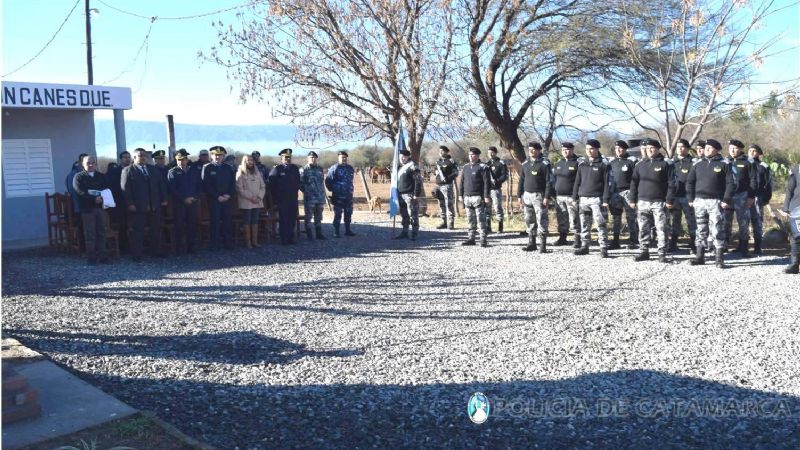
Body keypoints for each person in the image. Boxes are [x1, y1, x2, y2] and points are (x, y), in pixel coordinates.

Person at [687, 139, 735, 268]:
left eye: (709, 148)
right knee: (701, 229)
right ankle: (699, 256)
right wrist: (691, 199)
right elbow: (690, 182)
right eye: (705, 147)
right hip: (699, 201)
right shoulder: (697, 164)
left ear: (716, 150)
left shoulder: (724, 164)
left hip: (716, 202)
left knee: (717, 229)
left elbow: (730, 183)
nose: (706, 149)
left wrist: (726, 200)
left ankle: (719, 259)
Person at [629, 139, 675, 263]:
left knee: (661, 229)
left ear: (658, 149)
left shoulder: (666, 164)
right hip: (643, 201)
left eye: (652, 148)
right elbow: (634, 183)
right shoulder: (640, 164)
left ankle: (662, 253)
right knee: (643, 228)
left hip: (659, 202)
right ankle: (644, 251)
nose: (649, 150)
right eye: (647, 148)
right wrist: (632, 199)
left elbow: (671, 183)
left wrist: (669, 199)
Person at [121, 148, 168, 260]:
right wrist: (130, 204)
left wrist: (164, 198)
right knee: (138, 231)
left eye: (144, 156)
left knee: (155, 229)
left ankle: (155, 251)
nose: (142, 157)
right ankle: (137, 254)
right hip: (138, 206)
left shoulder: (152, 169)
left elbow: (161, 184)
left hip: (154, 204)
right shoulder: (128, 171)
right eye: (140, 156)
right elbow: (125, 189)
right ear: (134, 157)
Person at [573, 139, 611, 257]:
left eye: (592, 149)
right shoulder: (582, 163)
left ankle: (603, 248)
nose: (589, 151)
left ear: (597, 149)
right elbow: (577, 181)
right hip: (583, 198)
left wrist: (605, 200)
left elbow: (608, 183)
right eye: (587, 149)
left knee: (600, 224)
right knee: (584, 224)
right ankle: (585, 246)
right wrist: (575, 196)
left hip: (597, 199)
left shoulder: (604, 164)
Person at [72, 155, 111, 265]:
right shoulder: (78, 177)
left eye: (93, 162)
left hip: (101, 208)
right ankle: (92, 258)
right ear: (82, 164)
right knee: (90, 234)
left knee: (101, 233)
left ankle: (103, 256)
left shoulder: (101, 176)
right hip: (87, 209)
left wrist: (103, 198)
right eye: (88, 163)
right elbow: (80, 192)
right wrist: (94, 199)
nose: (91, 165)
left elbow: (106, 189)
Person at [723, 139, 757, 257]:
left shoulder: (748, 161)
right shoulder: (725, 161)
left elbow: (753, 180)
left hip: (742, 195)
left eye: (735, 148)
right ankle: (724, 245)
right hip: (727, 196)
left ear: (741, 149)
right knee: (725, 221)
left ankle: (743, 247)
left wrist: (751, 197)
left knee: (743, 222)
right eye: (730, 148)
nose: (732, 150)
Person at [517, 142, 552, 252]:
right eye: (529, 149)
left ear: (539, 150)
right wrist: (519, 195)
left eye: (533, 149)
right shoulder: (526, 163)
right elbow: (521, 180)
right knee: (529, 219)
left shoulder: (545, 164)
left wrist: (547, 196)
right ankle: (531, 243)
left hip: (539, 195)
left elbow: (549, 182)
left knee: (541, 219)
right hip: (527, 195)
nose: (531, 151)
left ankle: (543, 245)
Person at [202, 146, 237, 250]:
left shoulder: (228, 168)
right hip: (214, 200)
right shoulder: (207, 168)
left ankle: (228, 243)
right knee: (215, 222)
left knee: (227, 222)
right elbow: (206, 185)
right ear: (211, 156)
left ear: (223, 156)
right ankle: (214, 245)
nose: (217, 157)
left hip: (227, 199)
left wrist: (228, 195)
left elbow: (232, 184)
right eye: (215, 155)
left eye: (220, 155)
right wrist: (217, 196)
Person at [167, 149, 201, 254]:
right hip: (179, 204)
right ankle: (180, 248)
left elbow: (199, 186)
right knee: (179, 226)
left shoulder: (194, 171)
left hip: (193, 202)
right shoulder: (172, 172)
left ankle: (192, 247)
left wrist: (194, 197)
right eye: (179, 159)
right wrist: (184, 199)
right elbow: (172, 189)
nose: (181, 161)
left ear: (187, 160)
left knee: (192, 225)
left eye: (183, 159)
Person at [608, 140, 638, 250]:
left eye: (620, 148)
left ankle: (633, 241)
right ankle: (615, 241)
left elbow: (635, 179)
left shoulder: (631, 161)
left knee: (631, 217)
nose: (618, 150)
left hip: (628, 192)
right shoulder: (612, 162)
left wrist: (634, 194)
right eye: (616, 149)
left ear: (625, 149)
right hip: (615, 193)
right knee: (616, 218)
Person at [669, 139, 697, 253]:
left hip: (688, 197)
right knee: (674, 221)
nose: (680, 149)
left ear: (688, 148)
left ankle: (694, 243)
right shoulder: (671, 162)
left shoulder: (692, 162)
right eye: (678, 146)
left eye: (683, 147)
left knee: (691, 221)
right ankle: (673, 243)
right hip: (674, 196)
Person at [459, 147, 491, 247]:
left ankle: (483, 239)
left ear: (477, 156)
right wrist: (460, 195)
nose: (470, 156)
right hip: (467, 197)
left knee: (481, 219)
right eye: (469, 155)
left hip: (478, 197)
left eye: (472, 155)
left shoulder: (483, 167)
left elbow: (487, 183)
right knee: (470, 219)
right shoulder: (465, 167)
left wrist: (486, 196)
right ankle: (471, 238)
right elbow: (462, 182)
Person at [269, 148, 301, 245]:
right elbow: (271, 185)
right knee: (284, 219)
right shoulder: (277, 169)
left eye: (289, 157)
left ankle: (291, 237)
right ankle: (284, 239)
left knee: (292, 219)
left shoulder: (295, 168)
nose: (287, 159)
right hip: (282, 199)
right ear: (281, 158)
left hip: (293, 198)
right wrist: (275, 199)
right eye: (285, 157)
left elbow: (298, 182)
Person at [553, 142, 582, 248]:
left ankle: (577, 240)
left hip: (572, 196)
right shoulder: (559, 163)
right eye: (563, 150)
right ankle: (562, 238)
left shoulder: (577, 163)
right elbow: (554, 179)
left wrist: (576, 195)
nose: (565, 151)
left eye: (568, 149)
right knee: (561, 218)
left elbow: (580, 180)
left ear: (572, 150)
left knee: (574, 219)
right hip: (559, 196)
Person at [236, 154, 267, 248]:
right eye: (248, 160)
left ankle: (255, 241)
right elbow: (240, 189)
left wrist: (259, 197)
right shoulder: (240, 172)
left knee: (255, 221)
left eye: (252, 160)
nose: (250, 162)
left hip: (257, 201)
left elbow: (263, 186)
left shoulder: (257, 172)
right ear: (244, 162)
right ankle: (248, 242)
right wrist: (251, 198)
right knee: (247, 222)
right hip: (247, 202)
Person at [325, 151, 356, 238]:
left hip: (348, 195)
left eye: (345, 157)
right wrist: (333, 189)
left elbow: (350, 180)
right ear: (338, 158)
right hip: (338, 196)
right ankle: (336, 231)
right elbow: (328, 181)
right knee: (337, 214)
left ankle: (348, 230)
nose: (344, 159)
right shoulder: (334, 168)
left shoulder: (350, 168)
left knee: (348, 213)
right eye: (342, 157)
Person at [748, 144, 772, 255]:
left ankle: (757, 247)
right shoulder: (744, 163)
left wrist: (766, 197)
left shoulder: (763, 166)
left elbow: (769, 183)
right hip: (744, 196)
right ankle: (742, 246)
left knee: (757, 221)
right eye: (750, 151)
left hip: (758, 197)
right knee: (743, 221)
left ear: (758, 153)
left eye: (754, 151)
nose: (751, 153)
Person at [393, 149, 422, 240]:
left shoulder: (413, 166)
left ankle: (414, 233)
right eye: (401, 156)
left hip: (410, 195)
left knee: (413, 214)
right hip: (400, 194)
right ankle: (405, 232)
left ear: (408, 156)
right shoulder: (400, 168)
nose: (402, 158)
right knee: (404, 214)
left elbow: (418, 181)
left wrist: (416, 194)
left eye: (404, 156)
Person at [300, 151, 327, 240]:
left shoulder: (319, 169)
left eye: (314, 158)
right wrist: (307, 191)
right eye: (311, 158)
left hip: (319, 197)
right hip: (309, 198)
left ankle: (319, 234)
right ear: (308, 159)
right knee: (308, 217)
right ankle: (309, 235)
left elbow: (321, 181)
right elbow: (300, 184)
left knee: (318, 216)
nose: (313, 159)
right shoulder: (303, 170)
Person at [778, 163, 800, 274]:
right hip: (797, 208)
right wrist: (785, 208)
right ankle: (794, 264)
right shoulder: (796, 169)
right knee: (796, 236)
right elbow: (789, 190)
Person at [108, 151, 132, 252]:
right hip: (120, 203)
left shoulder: (132, 170)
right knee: (122, 226)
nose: (127, 159)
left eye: (128, 157)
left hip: (132, 201)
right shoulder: (116, 171)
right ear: (120, 159)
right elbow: (114, 187)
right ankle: (123, 247)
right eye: (125, 157)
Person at [432, 145, 459, 230]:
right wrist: (435, 172)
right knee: (441, 204)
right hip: (438, 185)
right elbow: (434, 171)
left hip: (447, 185)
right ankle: (443, 222)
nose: (440, 152)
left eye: (442, 151)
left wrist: (447, 178)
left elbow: (456, 173)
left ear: (447, 152)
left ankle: (451, 223)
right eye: (439, 151)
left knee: (449, 204)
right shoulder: (438, 162)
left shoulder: (451, 161)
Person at [486, 145, 509, 233]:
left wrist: (497, 181)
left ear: (495, 153)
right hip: (487, 190)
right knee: (487, 208)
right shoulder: (487, 164)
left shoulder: (500, 163)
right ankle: (488, 227)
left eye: (492, 152)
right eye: (489, 153)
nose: (490, 154)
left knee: (497, 208)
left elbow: (504, 175)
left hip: (496, 189)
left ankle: (500, 227)